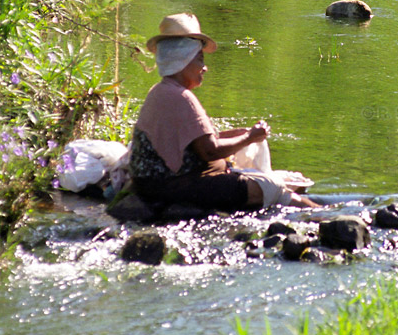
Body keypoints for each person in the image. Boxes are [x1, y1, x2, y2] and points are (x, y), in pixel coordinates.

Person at [129, 13, 318, 211]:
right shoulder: (181, 97)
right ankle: (322, 216)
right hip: (172, 187)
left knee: (259, 176)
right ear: (183, 62)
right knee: (276, 188)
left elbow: (193, 141)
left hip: (154, 184)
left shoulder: (161, 91)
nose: (205, 68)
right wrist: (250, 138)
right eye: (200, 60)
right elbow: (209, 150)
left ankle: (315, 211)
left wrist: (242, 134)